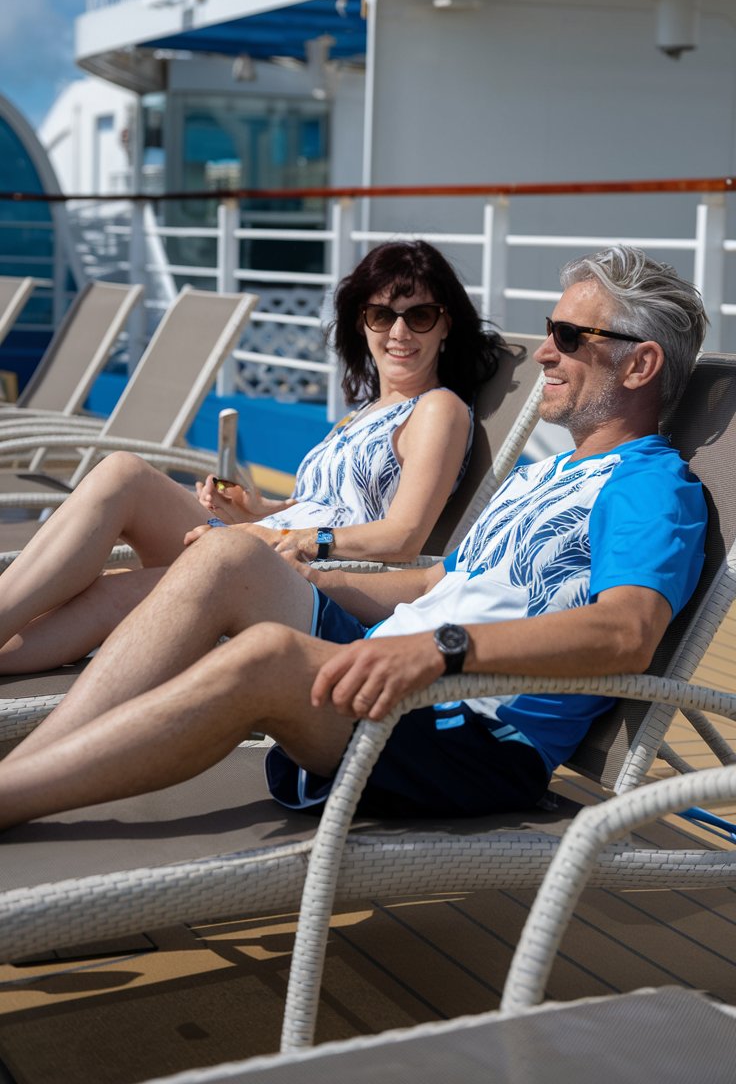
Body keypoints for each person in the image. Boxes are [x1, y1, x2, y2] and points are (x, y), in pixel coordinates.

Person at [0, 246, 709, 830]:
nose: (546, 354)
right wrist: (311, 579)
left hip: (475, 731)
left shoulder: (651, 487)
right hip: (394, 674)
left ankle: (12, 797)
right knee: (230, 554)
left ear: (640, 364)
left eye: (569, 337)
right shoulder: (546, 474)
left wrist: (442, 648)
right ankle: (21, 774)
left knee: (270, 653)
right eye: (549, 331)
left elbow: (627, 632)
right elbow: (439, 581)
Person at [0, 239, 502, 675]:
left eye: (419, 316)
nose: (399, 332)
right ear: (362, 324)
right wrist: (257, 512)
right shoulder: (366, 412)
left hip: (306, 581)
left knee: (113, 594)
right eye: (381, 315)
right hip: (271, 546)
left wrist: (279, 534)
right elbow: (326, 504)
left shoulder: (439, 409)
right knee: (122, 474)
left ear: (445, 326)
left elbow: (402, 536)